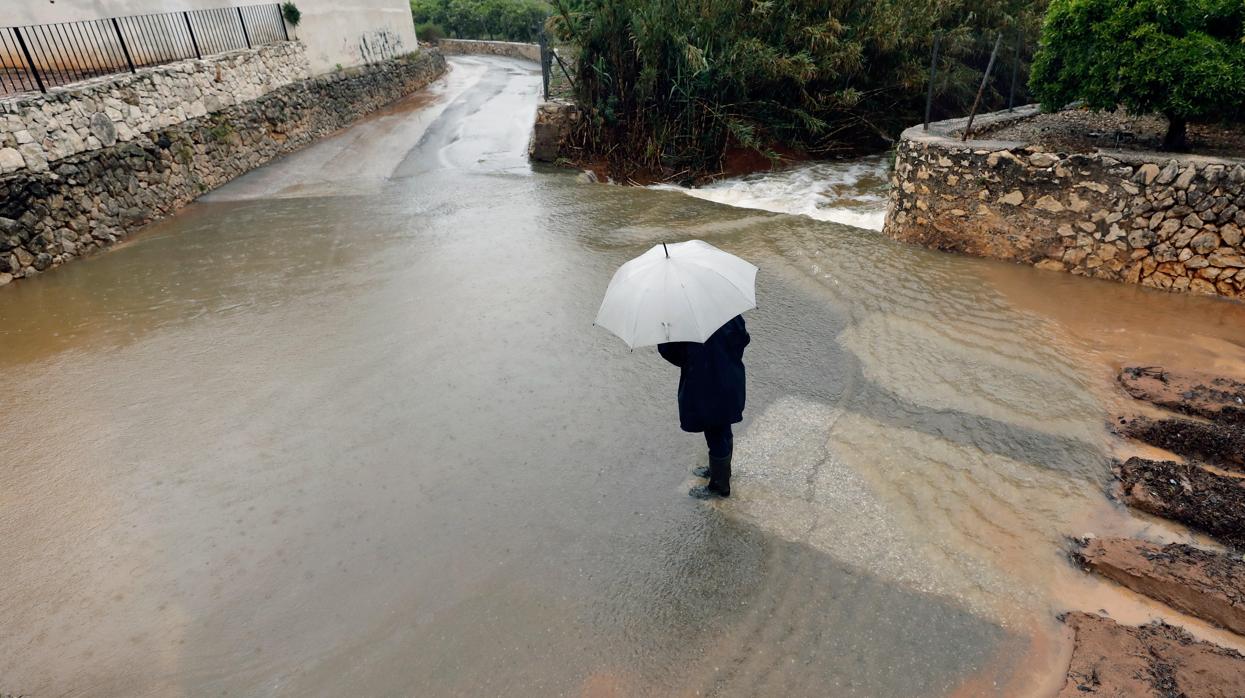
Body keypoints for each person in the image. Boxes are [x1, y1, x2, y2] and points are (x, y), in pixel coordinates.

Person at [657, 315, 750, 499]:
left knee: (714, 430)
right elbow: (743, 338)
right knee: (723, 424)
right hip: (730, 377)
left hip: (705, 382)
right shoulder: (725, 311)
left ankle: (719, 485)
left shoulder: (680, 319)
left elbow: (670, 352)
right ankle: (721, 470)